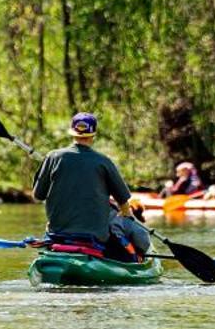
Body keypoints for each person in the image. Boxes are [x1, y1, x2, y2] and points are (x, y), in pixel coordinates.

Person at [31, 111, 144, 263]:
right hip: (94, 238)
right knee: (125, 250)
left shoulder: (53, 157)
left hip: (57, 235)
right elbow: (123, 200)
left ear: (72, 133)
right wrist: (127, 215)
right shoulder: (104, 162)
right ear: (93, 135)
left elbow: (38, 195)